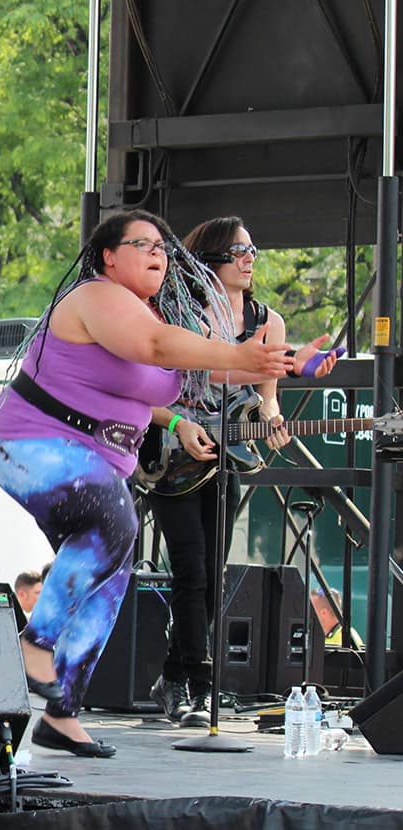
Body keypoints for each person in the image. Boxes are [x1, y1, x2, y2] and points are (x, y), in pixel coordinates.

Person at [0, 209, 292, 758]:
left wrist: (289, 364)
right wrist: (238, 353)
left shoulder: (153, 314)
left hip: (93, 459)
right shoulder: (96, 297)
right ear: (108, 255)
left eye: (162, 246)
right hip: (31, 443)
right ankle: (34, 643)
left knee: (111, 573)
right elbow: (155, 349)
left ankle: (62, 713)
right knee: (115, 520)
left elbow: (207, 372)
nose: (158, 253)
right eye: (142, 243)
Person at [145, 216, 340, 728]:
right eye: (239, 251)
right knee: (190, 568)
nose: (250, 259)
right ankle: (197, 683)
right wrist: (180, 422)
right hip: (170, 448)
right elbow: (149, 387)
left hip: (225, 456)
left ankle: (176, 675)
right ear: (210, 259)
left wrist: (275, 420)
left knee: (212, 574)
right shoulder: (176, 311)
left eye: (254, 249)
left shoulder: (267, 321)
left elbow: (266, 400)